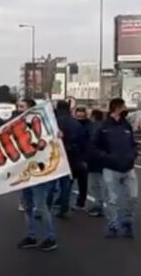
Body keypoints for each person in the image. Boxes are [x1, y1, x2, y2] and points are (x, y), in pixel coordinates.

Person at [91, 98, 138, 238]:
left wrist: (133, 155)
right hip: (111, 168)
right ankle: (113, 225)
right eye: (124, 107)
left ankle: (127, 222)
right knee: (112, 199)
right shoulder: (103, 127)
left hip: (128, 167)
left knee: (133, 197)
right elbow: (93, 146)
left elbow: (133, 143)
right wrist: (106, 157)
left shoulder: (126, 125)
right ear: (117, 108)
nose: (126, 109)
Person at [15, 98, 58, 251]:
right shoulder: (17, 125)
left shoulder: (42, 125)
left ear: (30, 108)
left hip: (40, 170)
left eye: (22, 107)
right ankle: (31, 236)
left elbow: (47, 141)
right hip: (25, 170)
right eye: (18, 106)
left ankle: (50, 237)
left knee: (40, 205)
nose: (19, 109)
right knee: (27, 205)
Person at [50, 100, 87, 218]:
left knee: (51, 182)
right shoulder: (75, 123)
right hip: (72, 156)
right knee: (66, 182)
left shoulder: (53, 122)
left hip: (55, 154)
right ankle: (64, 206)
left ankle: (46, 206)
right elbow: (83, 141)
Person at [85, 109, 107, 217]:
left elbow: (89, 143)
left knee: (94, 184)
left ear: (93, 116)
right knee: (100, 183)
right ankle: (99, 204)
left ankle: (98, 206)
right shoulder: (105, 127)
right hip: (104, 159)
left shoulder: (93, 127)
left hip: (94, 160)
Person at [71, 107, 91, 210]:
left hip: (81, 157)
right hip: (76, 156)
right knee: (78, 182)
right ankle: (79, 203)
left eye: (81, 116)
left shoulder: (85, 126)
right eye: (78, 116)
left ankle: (80, 203)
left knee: (81, 182)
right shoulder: (87, 125)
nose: (79, 118)